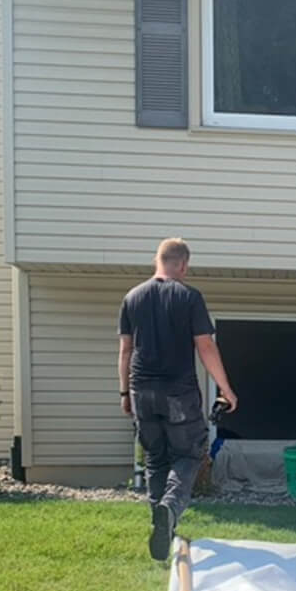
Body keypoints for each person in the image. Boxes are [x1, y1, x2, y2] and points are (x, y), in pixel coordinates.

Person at [118, 238, 238, 560]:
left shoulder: (132, 297)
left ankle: (162, 526)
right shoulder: (189, 297)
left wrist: (124, 392)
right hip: (178, 393)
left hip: (141, 390)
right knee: (189, 455)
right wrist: (225, 388)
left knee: (156, 459)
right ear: (183, 264)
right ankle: (169, 508)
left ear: (157, 260)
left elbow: (126, 351)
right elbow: (206, 346)